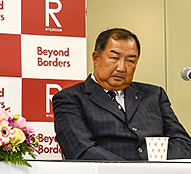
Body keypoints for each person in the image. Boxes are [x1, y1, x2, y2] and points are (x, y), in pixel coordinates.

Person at [52, 27, 191, 160]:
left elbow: (182, 141)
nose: (121, 68)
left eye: (130, 61)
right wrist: (131, 172)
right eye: (114, 58)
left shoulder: (154, 95)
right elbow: (81, 150)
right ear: (96, 58)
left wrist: (162, 168)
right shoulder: (71, 98)